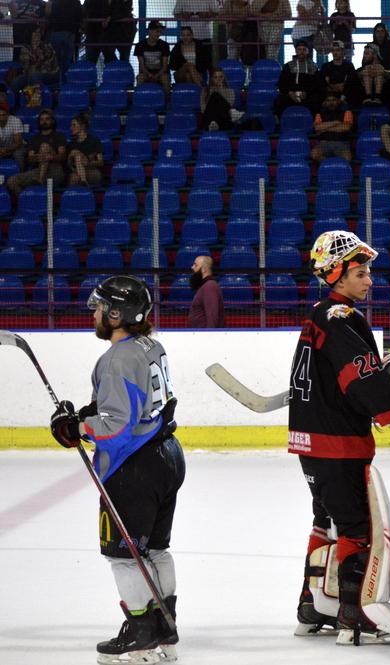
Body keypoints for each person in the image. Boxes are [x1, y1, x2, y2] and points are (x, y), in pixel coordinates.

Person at [288, 230, 390, 642]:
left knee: (326, 522)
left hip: (310, 440)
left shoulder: (318, 314)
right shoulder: (342, 318)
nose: (370, 280)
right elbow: (359, 378)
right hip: (338, 443)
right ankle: (354, 613)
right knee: (357, 529)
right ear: (335, 274)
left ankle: (313, 605)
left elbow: (343, 373)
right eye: (361, 272)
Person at [49, 275, 184, 664]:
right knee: (156, 549)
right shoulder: (150, 345)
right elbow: (136, 407)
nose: (93, 313)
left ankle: (141, 633)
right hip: (167, 455)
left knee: (124, 556)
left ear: (116, 313)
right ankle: (165, 628)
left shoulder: (116, 358)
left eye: (98, 307)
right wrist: (91, 414)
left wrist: (77, 428)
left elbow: (118, 427)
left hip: (134, 467)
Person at [7, 108, 67, 197]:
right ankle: (27, 203)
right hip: (38, 170)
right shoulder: (34, 139)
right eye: (42, 119)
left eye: (47, 119)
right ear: (39, 122)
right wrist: (41, 156)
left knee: (44, 146)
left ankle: (41, 179)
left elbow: (62, 156)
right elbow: (30, 158)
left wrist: (50, 156)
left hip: (55, 170)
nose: (44, 121)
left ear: (52, 121)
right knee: (11, 181)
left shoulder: (59, 136)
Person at [275, 38, 322, 117]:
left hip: (307, 95)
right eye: (299, 49)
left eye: (304, 49)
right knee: (279, 101)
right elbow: (282, 83)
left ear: (308, 51)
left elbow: (317, 84)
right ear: (296, 51)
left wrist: (307, 93)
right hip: (291, 94)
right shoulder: (288, 66)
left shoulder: (313, 67)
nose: (302, 52)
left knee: (316, 100)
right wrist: (290, 93)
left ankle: (313, 124)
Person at [10, 26, 60, 93]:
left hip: (50, 74)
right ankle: (17, 101)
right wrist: (36, 55)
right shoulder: (25, 48)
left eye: (38, 35)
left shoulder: (47, 46)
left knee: (35, 76)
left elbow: (49, 67)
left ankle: (36, 100)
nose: (37, 37)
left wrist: (40, 57)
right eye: (35, 35)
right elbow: (26, 67)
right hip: (30, 74)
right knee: (15, 82)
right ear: (30, 36)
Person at [45, 0, 83, 82]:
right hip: (70, 32)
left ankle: (56, 82)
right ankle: (65, 82)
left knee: (55, 60)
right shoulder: (75, 2)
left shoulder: (54, 2)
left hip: (56, 31)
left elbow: (48, 14)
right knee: (67, 60)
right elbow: (80, 16)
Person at [311, 92, 354, 162]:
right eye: (328, 100)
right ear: (325, 103)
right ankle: (328, 165)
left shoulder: (347, 112)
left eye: (333, 100)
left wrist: (325, 128)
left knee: (347, 158)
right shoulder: (319, 114)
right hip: (324, 143)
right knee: (314, 154)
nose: (331, 103)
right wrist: (336, 122)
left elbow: (346, 127)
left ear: (338, 101)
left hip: (341, 143)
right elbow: (317, 128)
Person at [66, 113, 104, 187]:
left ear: (82, 126)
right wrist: (70, 156)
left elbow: (101, 162)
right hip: (76, 170)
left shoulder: (94, 141)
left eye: (74, 125)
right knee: (74, 177)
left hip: (91, 170)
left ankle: (83, 182)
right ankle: (83, 184)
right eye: (71, 125)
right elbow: (69, 166)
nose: (71, 128)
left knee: (78, 155)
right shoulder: (71, 144)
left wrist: (88, 163)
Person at [173, 0, 216, 64]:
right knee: (186, 62)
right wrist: (183, 15)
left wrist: (207, 14)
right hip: (186, 37)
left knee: (207, 62)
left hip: (205, 36)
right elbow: (176, 14)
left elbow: (217, 13)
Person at [187, 255, 225, 328]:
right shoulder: (206, 286)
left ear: (204, 269)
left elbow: (212, 315)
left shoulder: (209, 286)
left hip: (205, 336)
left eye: (195, 265)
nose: (192, 267)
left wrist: (209, 335)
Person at [321, 41, 361, 107]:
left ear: (343, 52)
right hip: (329, 94)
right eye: (333, 50)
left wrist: (343, 87)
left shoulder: (349, 66)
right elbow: (322, 82)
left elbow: (352, 81)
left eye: (337, 50)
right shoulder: (326, 66)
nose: (335, 53)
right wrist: (332, 87)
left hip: (346, 95)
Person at [135, 20, 171, 93]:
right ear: (150, 31)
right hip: (146, 73)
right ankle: (139, 100)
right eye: (157, 31)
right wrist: (149, 75)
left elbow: (165, 66)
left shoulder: (165, 45)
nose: (159, 34)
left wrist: (157, 75)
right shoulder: (140, 46)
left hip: (161, 73)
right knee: (140, 78)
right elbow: (142, 66)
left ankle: (167, 101)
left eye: (160, 32)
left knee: (165, 78)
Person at [0, 102, 26, 170]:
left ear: (8, 114)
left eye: (3, 115)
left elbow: (18, 143)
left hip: (16, 146)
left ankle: (21, 176)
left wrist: (6, 150)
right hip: (2, 147)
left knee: (18, 154)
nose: (1, 118)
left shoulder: (15, 120)